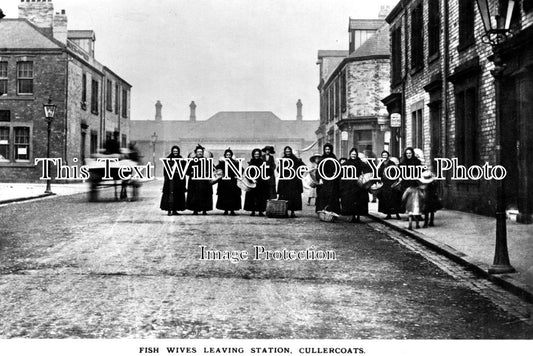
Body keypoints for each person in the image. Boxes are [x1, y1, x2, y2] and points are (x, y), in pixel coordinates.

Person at [340, 148, 372, 223]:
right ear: (350, 155)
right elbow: (341, 174)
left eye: (355, 154)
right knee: (351, 201)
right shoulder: (346, 163)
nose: (353, 156)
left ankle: (358, 217)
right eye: (352, 154)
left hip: (359, 185)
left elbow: (368, 170)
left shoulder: (360, 163)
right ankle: (353, 216)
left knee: (359, 201)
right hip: (350, 186)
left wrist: (362, 177)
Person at [277, 146, 305, 218]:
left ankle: (292, 212)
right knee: (284, 197)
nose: (288, 153)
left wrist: (298, 174)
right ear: (284, 152)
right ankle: (284, 211)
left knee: (293, 197)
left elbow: (303, 167)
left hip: (294, 182)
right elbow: (278, 170)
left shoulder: (296, 159)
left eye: (289, 151)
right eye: (286, 152)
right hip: (285, 182)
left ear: (291, 151)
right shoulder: (282, 160)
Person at [186, 144, 213, 215]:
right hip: (194, 182)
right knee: (194, 196)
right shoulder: (191, 161)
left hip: (204, 182)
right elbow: (187, 171)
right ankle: (195, 210)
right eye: (198, 152)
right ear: (195, 152)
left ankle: (204, 210)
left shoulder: (207, 161)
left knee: (204, 195)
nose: (200, 153)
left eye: (201, 152)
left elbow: (212, 169)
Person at [160, 145, 186, 215]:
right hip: (170, 181)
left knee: (177, 195)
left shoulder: (181, 159)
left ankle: (175, 210)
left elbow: (184, 169)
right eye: (174, 151)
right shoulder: (168, 159)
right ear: (172, 151)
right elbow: (165, 171)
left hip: (178, 181)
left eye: (176, 151)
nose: (175, 152)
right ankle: (169, 210)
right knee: (169, 195)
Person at [215, 148, 241, 216]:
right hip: (224, 183)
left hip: (233, 182)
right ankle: (225, 210)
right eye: (227, 154)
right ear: (225, 155)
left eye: (229, 154)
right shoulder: (222, 162)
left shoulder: (236, 162)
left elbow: (241, 170)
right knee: (225, 196)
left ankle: (232, 211)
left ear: (231, 155)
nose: (228, 156)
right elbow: (216, 169)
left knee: (233, 197)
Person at [315, 143, 340, 214]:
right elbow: (318, 171)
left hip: (332, 180)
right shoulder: (321, 159)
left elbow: (338, 168)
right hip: (323, 180)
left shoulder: (334, 159)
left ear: (331, 150)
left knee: (332, 196)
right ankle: (322, 211)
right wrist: (319, 179)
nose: (327, 151)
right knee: (323, 195)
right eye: (326, 149)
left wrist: (335, 175)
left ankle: (332, 212)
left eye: (329, 149)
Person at [377, 150, 402, 220]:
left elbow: (396, 172)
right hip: (385, 184)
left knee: (394, 198)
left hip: (391, 183)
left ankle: (397, 214)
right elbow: (378, 173)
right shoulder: (381, 164)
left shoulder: (392, 163)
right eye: (383, 155)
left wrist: (396, 181)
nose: (384, 156)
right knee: (386, 199)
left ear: (388, 156)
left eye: (386, 155)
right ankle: (388, 214)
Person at [244, 148, 268, 216]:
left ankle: (260, 211)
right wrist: (252, 179)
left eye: (257, 154)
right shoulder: (251, 162)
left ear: (260, 155)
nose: (256, 155)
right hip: (252, 182)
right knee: (252, 197)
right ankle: (253, 211)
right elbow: (248, 172)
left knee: (261, 197)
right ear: (253, 155)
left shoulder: (262, 162)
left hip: (261, 182)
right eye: (255, 154)